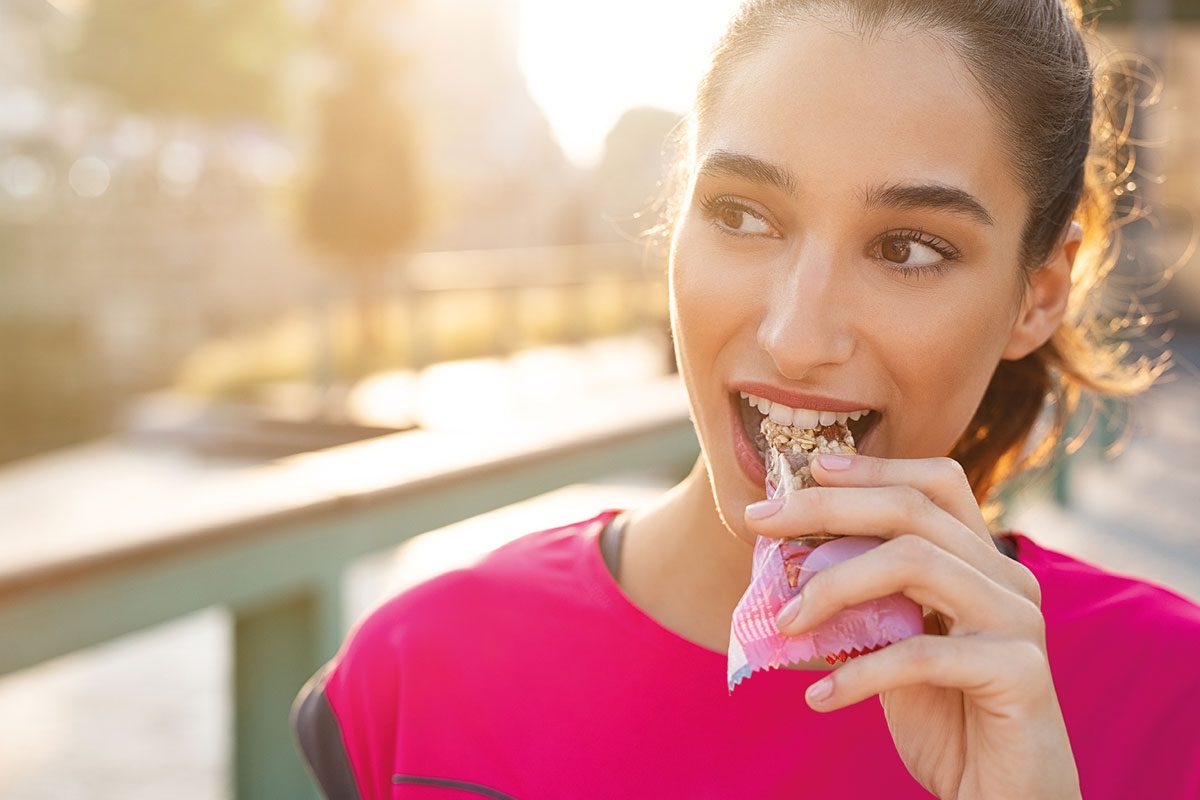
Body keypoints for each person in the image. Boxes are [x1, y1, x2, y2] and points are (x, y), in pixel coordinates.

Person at [292, 1, 1200, 797]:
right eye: (742, 215)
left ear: (1037, 295)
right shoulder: (418, 678)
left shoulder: (1169, 700)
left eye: (908, 248)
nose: (796, 336)